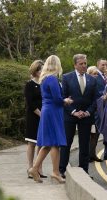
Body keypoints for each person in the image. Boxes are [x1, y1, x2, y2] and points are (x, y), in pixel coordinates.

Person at [28, 55, 73, 183]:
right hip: (53, 111)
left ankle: (34, 168)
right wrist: (66, 100)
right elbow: (57, 99)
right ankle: (55, 172)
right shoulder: (52, 79)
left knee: (48, 144)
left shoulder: (44, 78)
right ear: (56, 64)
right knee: (55, 143)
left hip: (48, 110)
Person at [59, 54, 98, 178]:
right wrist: (74, 111)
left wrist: (87, 112)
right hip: (70, 115)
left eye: (85, 63)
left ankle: (84, 172)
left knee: (85, 144)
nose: (84, 66)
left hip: (86, 116)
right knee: (67, 143)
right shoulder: (66, 77)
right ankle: (62, 170)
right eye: (81, 64)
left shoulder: (92, 79)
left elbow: (95, 100)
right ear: (75, 65)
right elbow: (63, 98)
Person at [24, 60, 47, 179]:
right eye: (39, 69)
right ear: (35, 71)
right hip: (34, 116)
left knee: (41, 143)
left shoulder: (45, 83)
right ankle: (30, 167)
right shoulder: (29, 84)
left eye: (43, 69)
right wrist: (41, 114)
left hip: (44, 116)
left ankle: (39, 168)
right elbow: (30, 103)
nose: (41, 71)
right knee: (32, 142)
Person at [89, 59, 107, 162]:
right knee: (91, 134)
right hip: (94, 111)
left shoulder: (106, 77)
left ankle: (92, 154)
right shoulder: (94, 81)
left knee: (96, 135)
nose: (105, 66)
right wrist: (106, 95)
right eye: (102, 64)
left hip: (101, 110)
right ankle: (89, 155)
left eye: (106, 64)